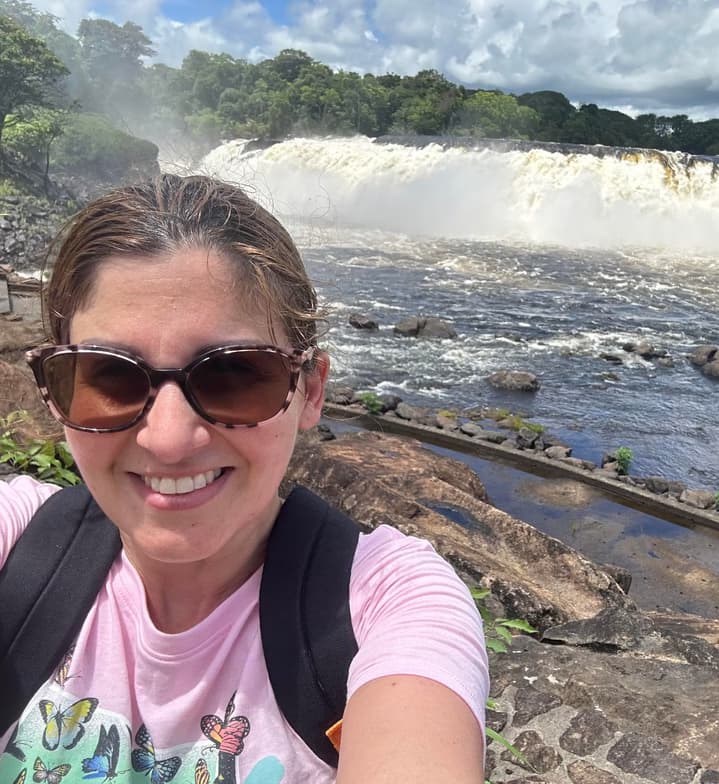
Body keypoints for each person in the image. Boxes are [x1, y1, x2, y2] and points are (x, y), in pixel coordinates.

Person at [0, 174, 489, 783]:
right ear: (55, 392)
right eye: (110, 377)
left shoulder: (385, 602)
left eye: (234, 375)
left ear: (311, 391)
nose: (169, 439)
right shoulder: (15, 541)